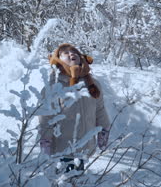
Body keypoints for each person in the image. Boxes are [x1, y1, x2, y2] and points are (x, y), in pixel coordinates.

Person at [38, 43, 110, 172]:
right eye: (65, 53)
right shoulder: (53, 87)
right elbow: (46, 117)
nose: (71, 54)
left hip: (84, 146)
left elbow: (99, 109)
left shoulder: (92, 85)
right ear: (58, 60)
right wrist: (45, 140)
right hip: (62, 149)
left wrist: (104, 129)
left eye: (74, 52)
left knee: (77, 178)